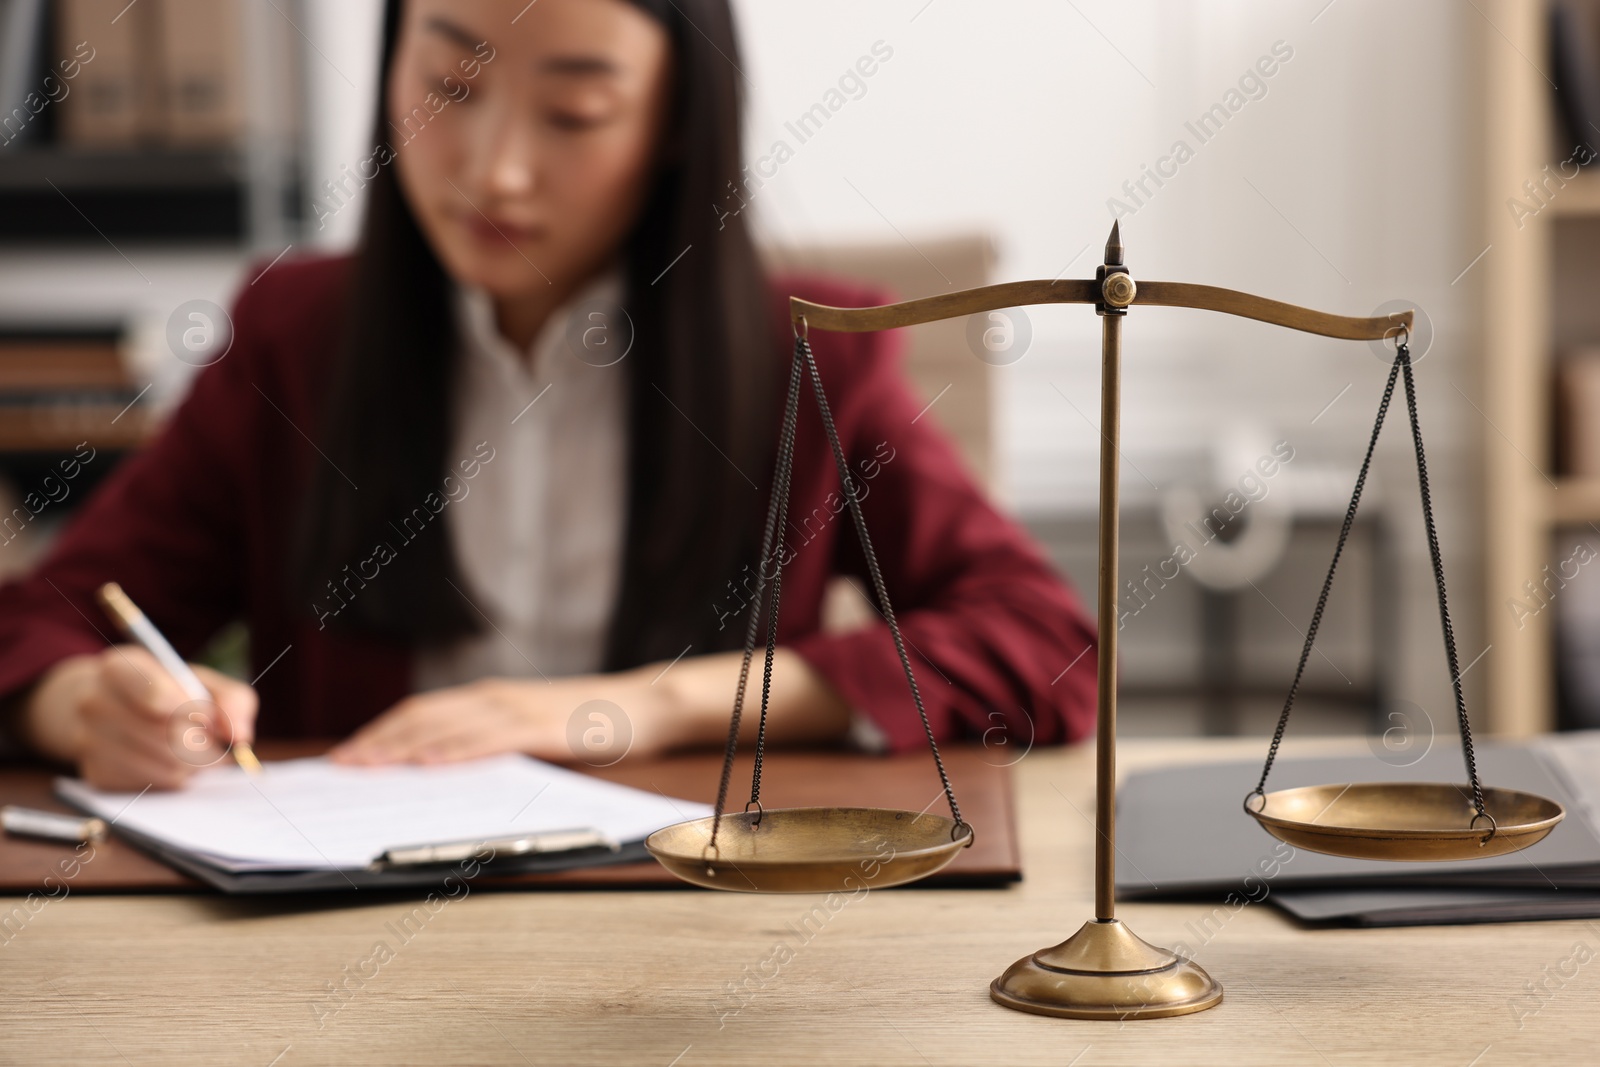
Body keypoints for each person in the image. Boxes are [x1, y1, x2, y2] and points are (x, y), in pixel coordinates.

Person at [0, 0, 1095, 791]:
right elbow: (47, 620)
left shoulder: (806, 352)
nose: (492, 170)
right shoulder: (296, 340)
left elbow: (1045, 645)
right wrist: (83, 705)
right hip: (341, 942)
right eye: (449, 87)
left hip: (700, 926)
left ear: (673, 130)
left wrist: (638, 705)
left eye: (572, 112)